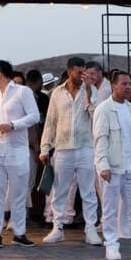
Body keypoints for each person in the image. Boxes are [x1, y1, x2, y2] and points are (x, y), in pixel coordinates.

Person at [40, 59, 101, 245]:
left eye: (84, 72)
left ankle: (91, 229)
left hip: (85, 148)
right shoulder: (57, 93)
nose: (82, 75)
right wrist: (45, 148)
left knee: (88, 191)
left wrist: (90, 94)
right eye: (78, 72)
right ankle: (57, 227)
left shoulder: (91, 90)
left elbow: (95, 116)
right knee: (60, 191)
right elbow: (50, 122)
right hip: (62, 148)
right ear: (69, 72)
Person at [94, 74, 131, 260]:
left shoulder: (130, 108)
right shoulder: (104, 109)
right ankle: (111, 245)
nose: (128, 87)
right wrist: (103, 165)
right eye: (124, 84)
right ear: (114, 85)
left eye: (130, 84)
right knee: (110, 208)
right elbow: (100, 138)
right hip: (112, 165)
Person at [0, 61, 39, 246]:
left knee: (18, 192)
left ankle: (19, 232)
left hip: (16, 149)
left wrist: (13, 125)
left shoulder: (23, 92)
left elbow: (34, 116)